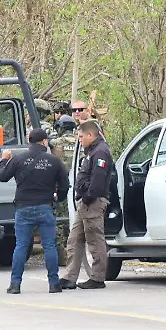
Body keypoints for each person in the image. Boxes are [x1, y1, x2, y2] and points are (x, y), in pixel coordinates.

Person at [0, 128, 70, 294]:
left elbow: (2, 176)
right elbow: (64, 186)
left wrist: (3, 160)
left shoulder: (18, 159)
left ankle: (15, 285)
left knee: (21, 246)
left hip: (23, 208)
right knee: (49, 245)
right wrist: (58, 198)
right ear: (44, 142)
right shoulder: (54, 161)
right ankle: (54, 283)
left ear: (29, 141)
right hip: (45, 207)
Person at [58, 120, 114, 290]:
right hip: (85, 203)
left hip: (93, 202)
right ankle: (70, 276)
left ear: (91, 135)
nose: (79, 139)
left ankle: (97, 278)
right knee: (74, 239)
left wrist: (88, 197)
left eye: (81, 136)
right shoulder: (92, 151)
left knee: (95, 240)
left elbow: (97, 181)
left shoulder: (101, 152)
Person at [48, 114, 78, 265]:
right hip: (78, 186)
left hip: (61, 185)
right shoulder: (80, 141)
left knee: (59, 223)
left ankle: (62, 257)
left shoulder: (55, 142)